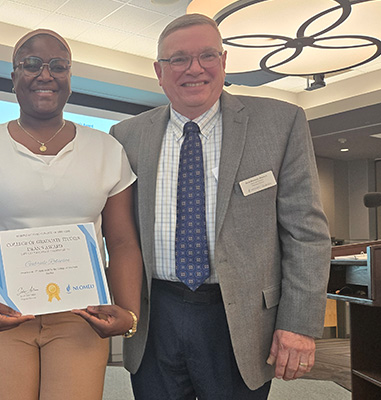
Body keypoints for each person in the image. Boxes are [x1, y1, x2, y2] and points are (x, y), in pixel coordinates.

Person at [110, 13, 331, 400]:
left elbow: (306, 233)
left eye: (206, 56)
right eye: (178, 59)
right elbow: (115, 230)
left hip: (242, 318)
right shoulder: (125, 136)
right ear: (159, 71)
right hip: (154, 314)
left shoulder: (280, 123)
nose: (194, 69)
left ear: (224, 62)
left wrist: (299, 323)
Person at [0, 29, 143, 400]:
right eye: (31, 64)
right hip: (0, 317)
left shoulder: (107, 150)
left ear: (69, 77)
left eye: (58, 66)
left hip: (81, 318)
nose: (45, 75)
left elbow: (123, 240)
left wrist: (129, 312)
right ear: (14, 76)